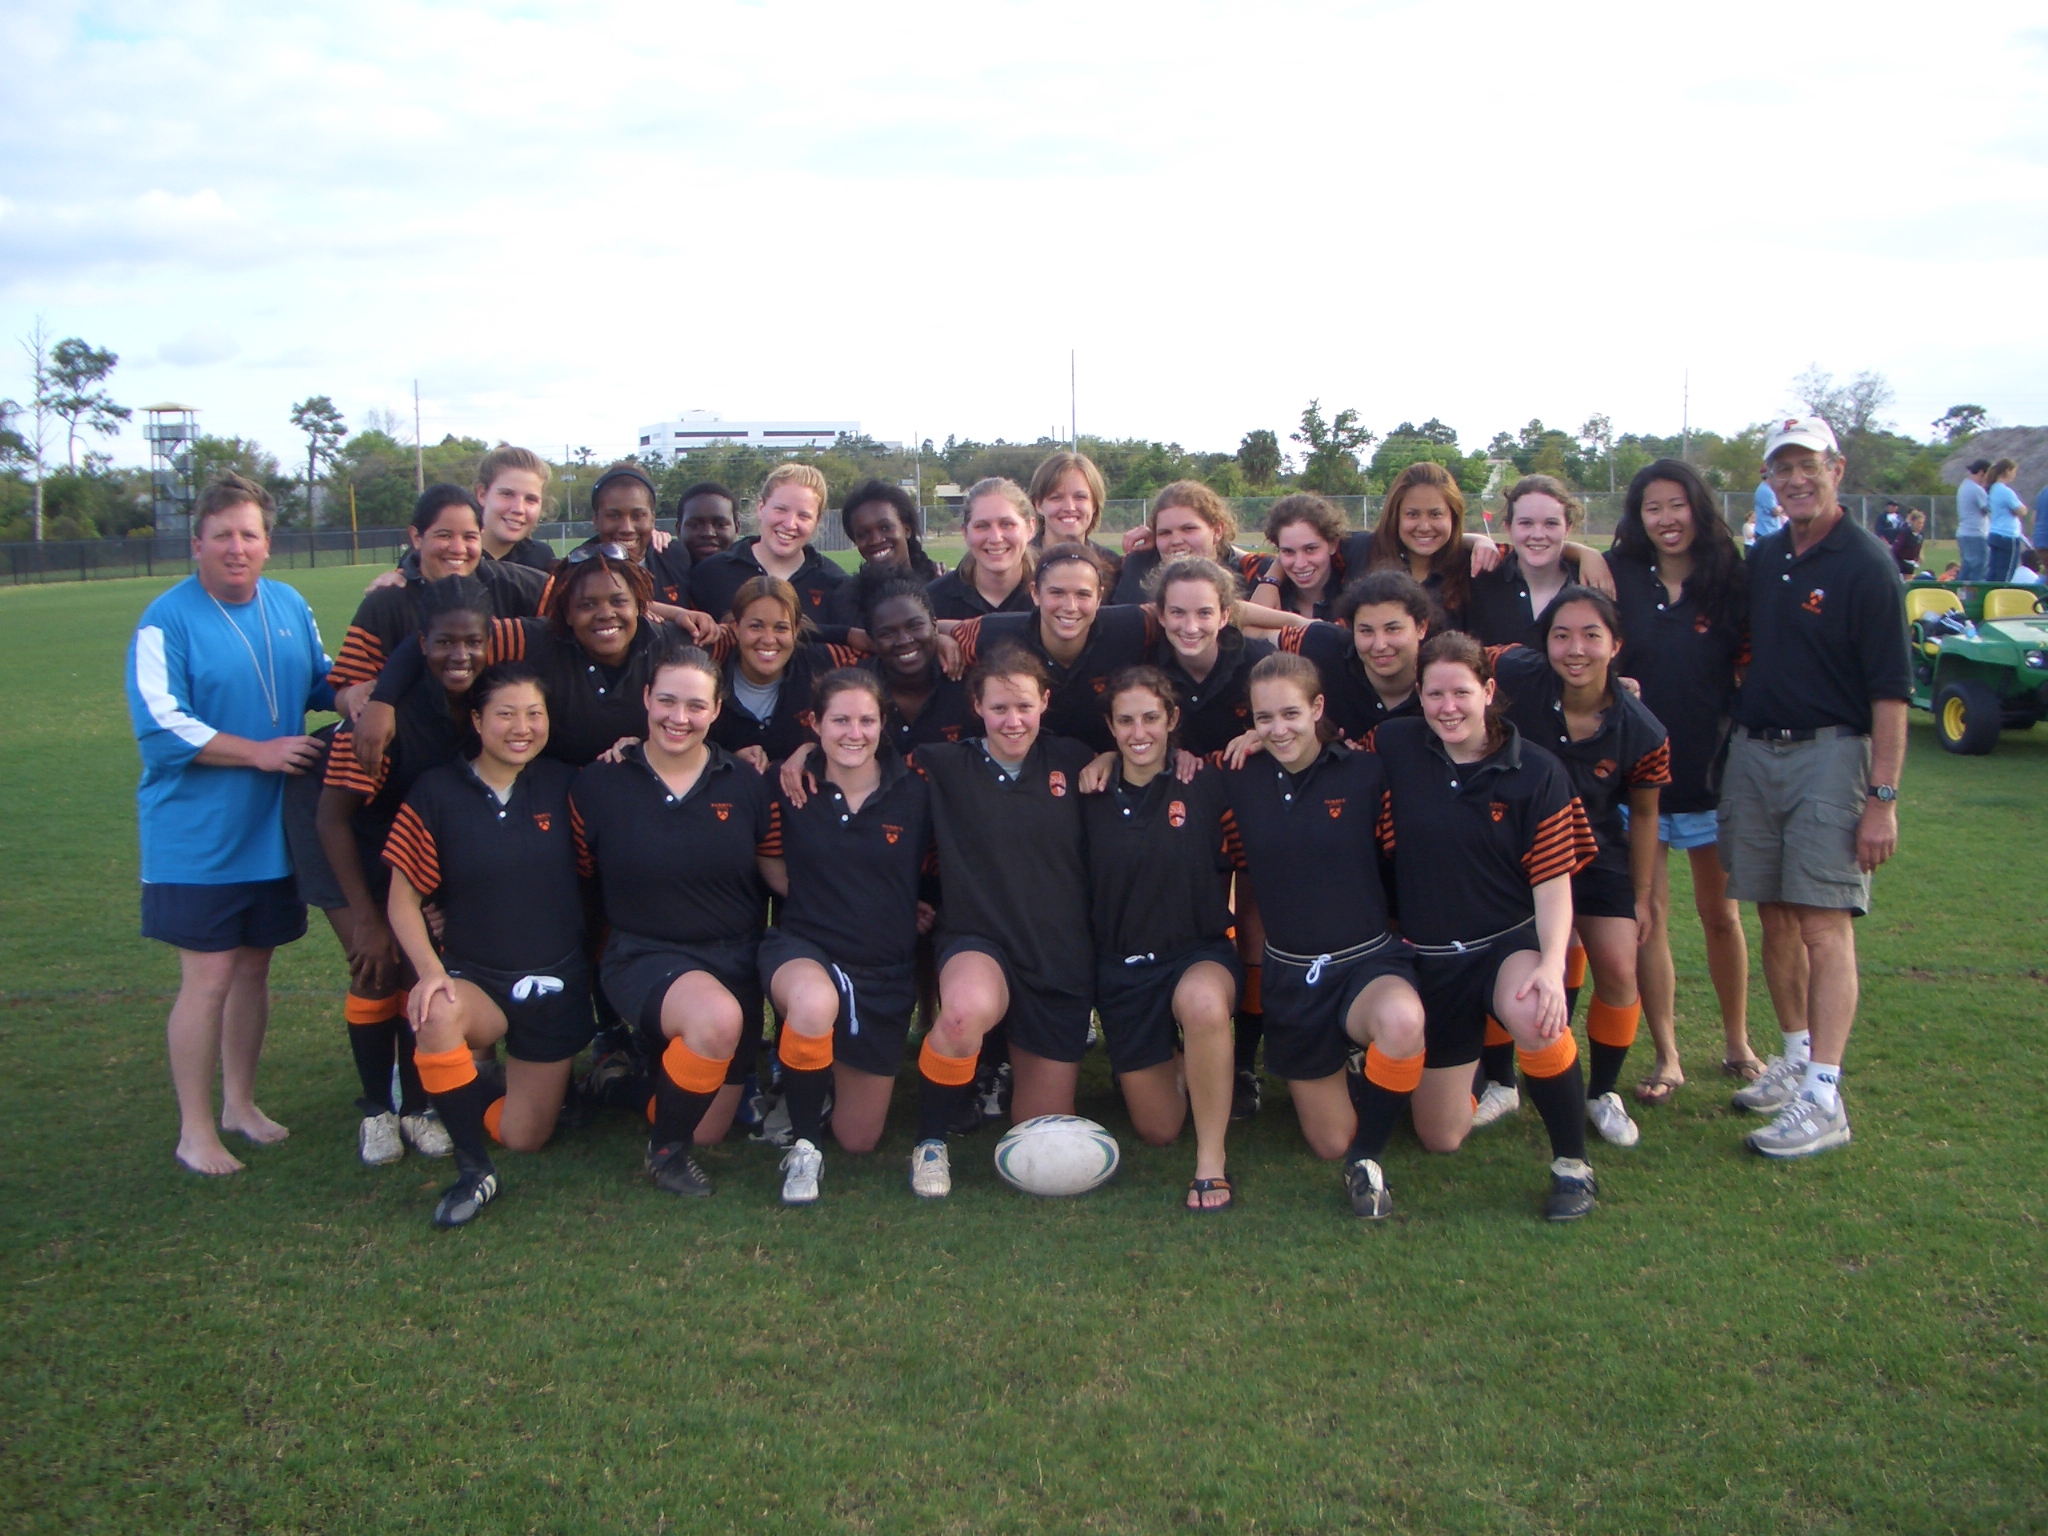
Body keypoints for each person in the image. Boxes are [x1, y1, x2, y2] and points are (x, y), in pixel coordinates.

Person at [125, 472, 335, 1176]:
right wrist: (262, 752)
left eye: (249, 535)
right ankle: (194, 1130)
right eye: (222, 536)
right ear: (197, 545)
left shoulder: (287, 603)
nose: (236, 548)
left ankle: (239, 1105)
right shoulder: (166, 620)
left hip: (270, 834)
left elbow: (319, 678)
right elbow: (161, 727)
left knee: (253, 972)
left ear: (267, 544)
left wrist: (377, 682)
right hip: (199, 841)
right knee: (208, 978)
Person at [1721, 415, 1910, 1158]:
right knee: (1773, 912)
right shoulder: (1768, 558)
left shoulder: (1866, 565)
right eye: (1782, 467)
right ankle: (1795, 1058)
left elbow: (1891, 695)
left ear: (1837, 467)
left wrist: (1883, 800)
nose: (1796, 478)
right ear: (1768, 478)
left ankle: (1825, 1094)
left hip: (1832, 757)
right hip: (1756, 753)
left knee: (1824, 922)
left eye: (1809, 464)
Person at [1365, 633, 1602, 1220]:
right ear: (1418, 694)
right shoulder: (1395, 743)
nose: (1449, 707)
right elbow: (1320, 755)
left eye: (1462, 693)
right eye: (1435, 693)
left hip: (1503, 946)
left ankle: (1573, 1166)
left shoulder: (1537, 771)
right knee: (1441, 1137)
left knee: (1534, 1009)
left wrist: (1551, 965)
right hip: (1429, 959)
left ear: (1488, 691)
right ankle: (1473, 1078)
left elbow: (1553, 884)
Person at [1214, 653, 1428, 1219]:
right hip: (1291, 974)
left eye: (1291, 713)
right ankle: (1361, 1075)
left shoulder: (1364, 770)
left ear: (1318, 709)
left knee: (1402, 1021)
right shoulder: (1234, 774)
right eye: (1264, 718)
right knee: (1326, 1140)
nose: (1278, 729)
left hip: (1367, 963)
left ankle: (1367, 1161)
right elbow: (1162, 762)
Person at [573, 637, 782, 1195]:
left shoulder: (746, 783)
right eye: (667, 701)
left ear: (717, 710)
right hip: (643, 954)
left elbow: (778, 872)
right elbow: (570, 875)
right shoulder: (599, 783)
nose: (679, 718)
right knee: (713, 1021)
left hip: (733, 960)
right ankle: (665, 1154)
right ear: (646, 699)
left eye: (696, 706)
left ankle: (619, 1082)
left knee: (710, 1125)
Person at [383, 662, 589, 1226]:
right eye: (505, 714)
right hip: (480, 980)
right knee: (435, 1013)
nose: (521, 727)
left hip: (558, 982)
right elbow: (402, 899)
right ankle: (474, 1170)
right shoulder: (437, 790)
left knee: (524, 1137)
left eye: (534, 713)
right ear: (476, 720)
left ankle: (489, 1082)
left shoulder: (565, 784)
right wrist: (430, 972)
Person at [899, 647, 1098, 1197]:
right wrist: (800, 754)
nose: (1013, 720)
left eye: (1024, 707)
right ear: (977, 707)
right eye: (999, 708)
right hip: (978, 938)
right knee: (961, 1016)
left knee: (1038, 1133)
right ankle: (931, 1141)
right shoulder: (939, 763)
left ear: (1045, 703)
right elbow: (858, 761)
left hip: (1058, 954)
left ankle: (1001, 1084)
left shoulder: (1078, 759)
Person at [317, 575, 490, 1166]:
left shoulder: (479, 702)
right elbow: (333, 820)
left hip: (426, 863)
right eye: (445, 642)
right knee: (376, 966)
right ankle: (375, 1110)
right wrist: (365, 916)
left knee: (427, 975)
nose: (460, 655)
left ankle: (417, 1105)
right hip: (365, 858)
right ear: (421, 642)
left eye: (472, 642)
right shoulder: (378, 720)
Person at [1489, 589, 1671, 1149]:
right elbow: (1462, 657)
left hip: (1595, 854)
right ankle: (1499, 1080)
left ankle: (1602, 1092)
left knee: (1618, 965)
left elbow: (1643, 813)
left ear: (1615, 645)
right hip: (1516, 852)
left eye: (1591, 635)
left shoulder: (1642, 728)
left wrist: (1641, 896)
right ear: (1544, 643)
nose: (1575, 648)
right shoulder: (1520, 673)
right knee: (1505, 961)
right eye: (1561, 635)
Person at [1606, 459, 1757, 1103]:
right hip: (1639, 782)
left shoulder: (1732, 579)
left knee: (1720, 913)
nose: (1666, 520)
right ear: (1637, 518)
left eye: (1677, 505)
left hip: (1711, 773)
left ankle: (1738, 1043)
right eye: (1652, 508)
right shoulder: (1619, 578)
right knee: (1649, 917)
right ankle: (1667, 1055)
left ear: (1698, 505)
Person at [755, 669, 936, 1203]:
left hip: (883, 965)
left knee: (859, 1139)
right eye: (838, 720)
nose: (853, 732)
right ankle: (805, 1145)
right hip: (805, 947)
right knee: (813, 1004)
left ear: (883, 724)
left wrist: (909, 904)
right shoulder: (789, 784)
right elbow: (766, 855)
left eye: (866, 719)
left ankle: (816, 1084)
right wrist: (818, 896)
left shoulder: (915, 790)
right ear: (815, 724)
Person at [1079, 668, 1240, 1210]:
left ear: (1173, 720)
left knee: (1201, 1003)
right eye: (1125, 720)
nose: (1138, 731)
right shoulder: (1089, 789)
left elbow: (1296, 742)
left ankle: (1211, 1160)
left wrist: (1261, 732)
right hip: (1123, 969)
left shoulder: (1203, 777)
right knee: (1158, 1129)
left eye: (1151, 717)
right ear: (1109, 726)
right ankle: (1186, 1063)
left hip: (1197, 953)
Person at [359, 546, 683, 770]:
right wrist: (382, 702)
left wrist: (693, 617)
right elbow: (441, 642)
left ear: (640, 606)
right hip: (554, 798)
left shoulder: (670, 646)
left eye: (618, 601)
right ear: (567, 613)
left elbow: (729, 639)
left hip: (636, 792)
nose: (605, 614)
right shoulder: (534, 639)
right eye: (587, 605)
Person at [327, 485, 546, 705]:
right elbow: (346, 691)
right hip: (412, 736)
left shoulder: (514, 584)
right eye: (444, 535)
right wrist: (354, 697)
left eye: (469, 537)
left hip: (497, 735)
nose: (458, 548)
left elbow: (572, 603)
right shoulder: (387, 601)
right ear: (416, 537)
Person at [949, 543, 1156, 753]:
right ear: (1035, 593)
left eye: (1083, 594)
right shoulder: (992, 634)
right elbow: (939, 629)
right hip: (1032, 772)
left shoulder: (1132, 625)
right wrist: (939, 641)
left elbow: (1174, 613)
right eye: (1057, 593)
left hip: (1110, 768)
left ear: (1099, 597)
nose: (1070, 606)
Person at [703, 575, 863, 769]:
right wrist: (726, 759)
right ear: (736, 628)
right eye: (756, 626)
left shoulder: (819, 663)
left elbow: (882, 650)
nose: (769, 639)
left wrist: (811, 750)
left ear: (796, 631)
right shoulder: (710, 669)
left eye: (781, 628)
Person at [1273, 570, 1434, 742]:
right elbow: (1250, 625)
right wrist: (1299, 622)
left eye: (1392, 629)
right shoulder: (1328, 647)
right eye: (1366, 631)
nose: (1380, 645)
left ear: (1421, 627)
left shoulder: (1443, 682)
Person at [689, 464, 849, 624]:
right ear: (761, 508)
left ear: (817, 521)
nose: (789, 524)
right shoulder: (711, 573)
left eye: (803, 516)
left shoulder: (835, 583)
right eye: (781, 509)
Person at [1465, 475, 1608, 647]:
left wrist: (1586, 552)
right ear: (1509, 528)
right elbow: (1442, 543)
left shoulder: (1590, 585)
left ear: (1568, 528)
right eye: (1526, 523)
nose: (1538, 535)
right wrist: (1478, 540)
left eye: (1551, 524)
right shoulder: (1481, 583)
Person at [1362, 462, 1504, 632]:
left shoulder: (1473, 569)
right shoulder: (1364, 553)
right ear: (1395, 516)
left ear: (1453, 516)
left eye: (1435, 514)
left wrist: (1478, 541)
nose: (1424, 526)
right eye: (1412, 514)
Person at [856, 573, 979, 756]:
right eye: (887, 633)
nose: (904, 640)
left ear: (935, 626)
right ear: (873, 640)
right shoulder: (857, 690)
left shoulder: (969, 684)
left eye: (915, 626)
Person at [555, 463, 694, 609]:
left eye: (638, 516)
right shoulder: (577, 568)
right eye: (613, 516)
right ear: (596, 520)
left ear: (652, 519)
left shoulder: (674, 556)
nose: (627, 528)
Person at [1111, 481, 1272, 605]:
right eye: (1165, 532)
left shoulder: (1252, 573)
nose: (1176, 541)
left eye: (1188, 529)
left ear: (1217, 531)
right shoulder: (1140, 567)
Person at [827, 479, 946, 625]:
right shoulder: (847, 601)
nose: (875, 540)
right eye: (863, 534)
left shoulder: (941, 587)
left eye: (885, 528)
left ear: (906, 529)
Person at [925, 477, 1039, 620]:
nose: (995, 538)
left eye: (1007, 524)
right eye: (982, 526)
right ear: (965, 533)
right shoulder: (933, 601)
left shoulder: (1053, 595)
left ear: (1031, 528)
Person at [1256, 494, 1374, 620]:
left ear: (1332, 545)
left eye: (1310, 549)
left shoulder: (1354, 589)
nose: (1300, 564)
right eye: (1288, 551)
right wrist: (1270, 581)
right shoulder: (1265, 577)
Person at [1028, 450, 1126, 581]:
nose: (1069, 507)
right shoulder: (1019, 564)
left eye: (1080, 497)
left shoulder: (1113, 566)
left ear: (1094, 505)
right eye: (1056, 497)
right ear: (1038, 505)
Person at [476, 446, 559, 571]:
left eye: (530, 499)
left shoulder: (541, 560)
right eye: (507, 494)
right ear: (482, 494)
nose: (519, 509)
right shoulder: (458, 556)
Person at [678, 482, 739, 566]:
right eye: (695, 525)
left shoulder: (754, 575)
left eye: (720, 525)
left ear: (737, 528)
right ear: (678, 530)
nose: (708, 533)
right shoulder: (663, 573)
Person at [1987, 459, 2027, 582]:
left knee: (1993, 571)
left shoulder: (1993, 489)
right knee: (2005, 574)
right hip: (2008, 535)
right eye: (2014, 472)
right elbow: (2021, 511)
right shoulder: (2005, 491)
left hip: (1995, 533)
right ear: (2007, 471)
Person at [1955, 458, 1993, 583]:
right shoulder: (1977, 490)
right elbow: (1988, 510)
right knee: (1979, 570)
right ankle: (1975, 599)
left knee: (1967, 569)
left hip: (1964, 533)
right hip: (1976, 534)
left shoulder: (1964, 486)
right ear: (1982, 472)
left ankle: (1960, 596)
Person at [1890, 507, 1927, 577]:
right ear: (1912, 522)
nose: (1921, 525)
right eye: (1918, 523)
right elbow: (1895, 550)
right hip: (1901, 564)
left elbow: (1918, 547)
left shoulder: (1921, 535)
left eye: (1922, 523)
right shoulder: (1905, 533)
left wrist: (1919, 557)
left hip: (1911, 563)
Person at [1751, 470, 1783, 544]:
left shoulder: (1767, 489)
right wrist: (1784, 505)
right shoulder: (1766, 491)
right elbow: (1775, 512)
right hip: (1766, 532)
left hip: (1769, 531)